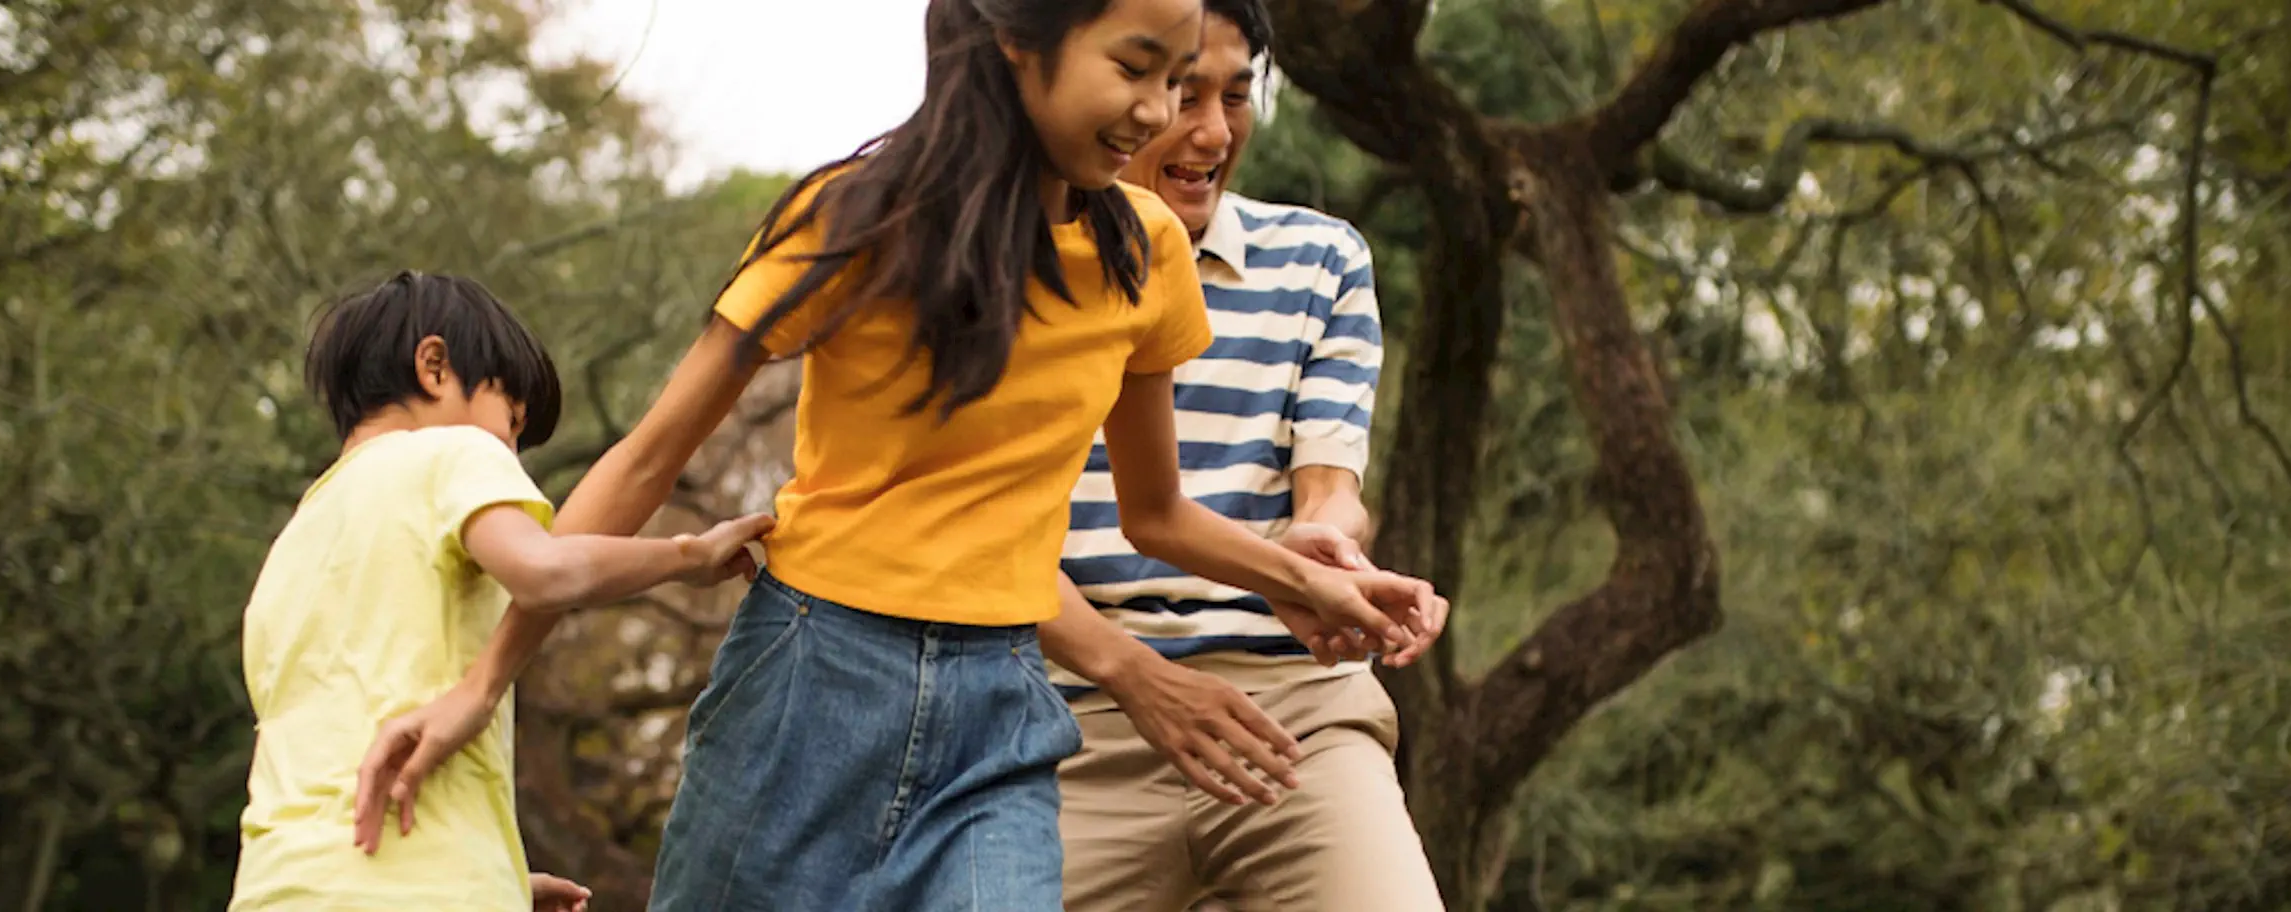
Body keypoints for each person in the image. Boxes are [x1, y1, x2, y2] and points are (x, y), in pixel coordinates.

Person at [348, 0, 1447, 909]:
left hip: (1002, 710)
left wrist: (1315, 583)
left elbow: (1158, 516)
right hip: (808, 682)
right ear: (1018, 42)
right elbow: (644, 461)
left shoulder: (1142, 251)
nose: (1161, 114)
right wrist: (484, 684)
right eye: (1137, 69)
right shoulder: (852, 220)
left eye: (1185, 78)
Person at [1036, 1, 1450, 909]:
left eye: (1236, 94)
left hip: (1289, 710)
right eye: (1185, 94)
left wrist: (1319, 552)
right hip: (1064, 716)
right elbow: (989, 540)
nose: (1213, 132)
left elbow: (1331, 487)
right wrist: (1132, 672)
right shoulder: (1018, 267)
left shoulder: (1322, 259)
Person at [228, 272, 770, 912]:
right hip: (422, 888)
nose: (511, 454)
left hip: (278, 884)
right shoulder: (450, 452)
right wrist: (686, 555)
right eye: (511, 423)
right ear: (434, 367)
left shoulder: (293, 546)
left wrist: (503, 878)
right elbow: (545, 572)